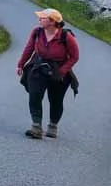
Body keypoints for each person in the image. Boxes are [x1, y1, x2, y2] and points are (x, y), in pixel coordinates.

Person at [16, 8, 79, 139]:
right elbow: (28, 49)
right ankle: (36, 127)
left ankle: (53, 126)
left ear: (52, 21)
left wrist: (62, 72)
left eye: (42, 18)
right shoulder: (37, 32)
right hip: (39, 66)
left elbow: (74, 57)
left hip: (58, 70)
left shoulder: (66, 36)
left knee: (56, 99)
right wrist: (21, 64)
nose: (39, 19)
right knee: (35, 95)